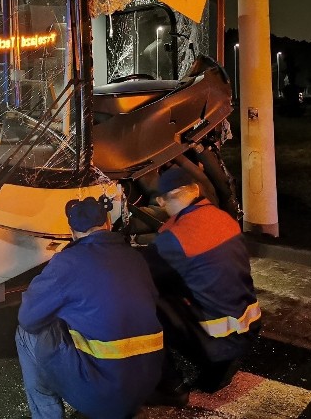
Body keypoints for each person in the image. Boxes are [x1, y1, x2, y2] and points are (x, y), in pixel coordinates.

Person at [15, 195, 164, 419]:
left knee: (26, 334)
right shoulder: (135, 257)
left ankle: (47, 415)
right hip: (146, 385)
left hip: (103, 396)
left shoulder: (67, 263)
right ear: (106, 224)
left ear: (73, 233)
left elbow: (28, 318)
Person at [143, 166, 261, 395]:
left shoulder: (175, 239)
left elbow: (142, 274)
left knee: (144, 300)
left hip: (218, 341)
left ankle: (171, 383)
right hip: (247, 325)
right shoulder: (222, 218)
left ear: (160, 201)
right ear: (196, 189)